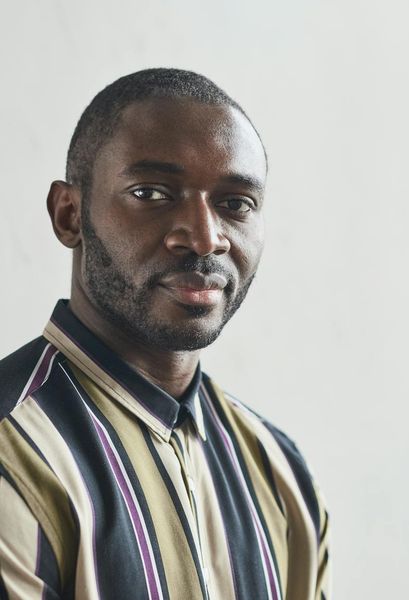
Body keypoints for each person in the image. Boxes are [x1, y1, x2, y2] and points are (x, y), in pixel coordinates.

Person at [0, 68, 330, 600]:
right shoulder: (13, 451)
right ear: (69, 215)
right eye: (152, 192)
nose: (204, 237)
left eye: (235, 204)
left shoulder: (279, 471)